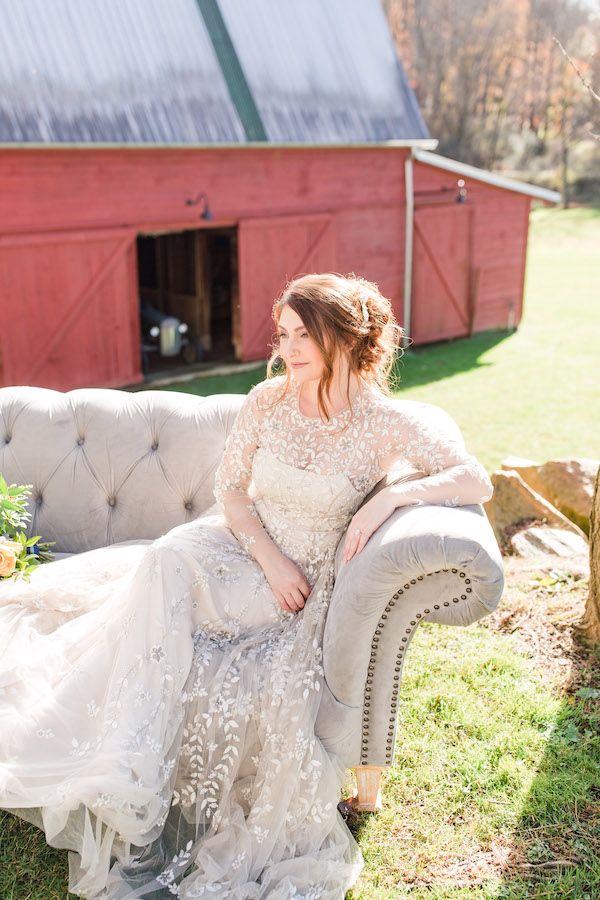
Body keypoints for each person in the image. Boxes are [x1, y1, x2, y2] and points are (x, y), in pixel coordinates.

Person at [0, 273, 493, 898]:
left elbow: (474, 479)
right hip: (240, 547)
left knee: (170, 581)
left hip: (300, 582)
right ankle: (121, 763)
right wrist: (267, 556)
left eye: (302, 335)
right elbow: (230, 492)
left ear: (342, 336)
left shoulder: (384, 422)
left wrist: (393, 494)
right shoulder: (267, 400)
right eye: (282, 334)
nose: (287, 349)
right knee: (165, 559)